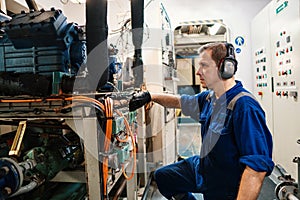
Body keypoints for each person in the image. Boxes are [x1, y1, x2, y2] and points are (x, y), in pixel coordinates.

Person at [129, 42, 274, 200]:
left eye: (204, 65)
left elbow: (256, 169)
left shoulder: (244, 106)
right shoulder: (210, 98)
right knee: (164, 177)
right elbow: (179, 101)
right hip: (205, 167)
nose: (198, 72)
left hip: (226, 182)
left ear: (226, 68)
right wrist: (151, 96)